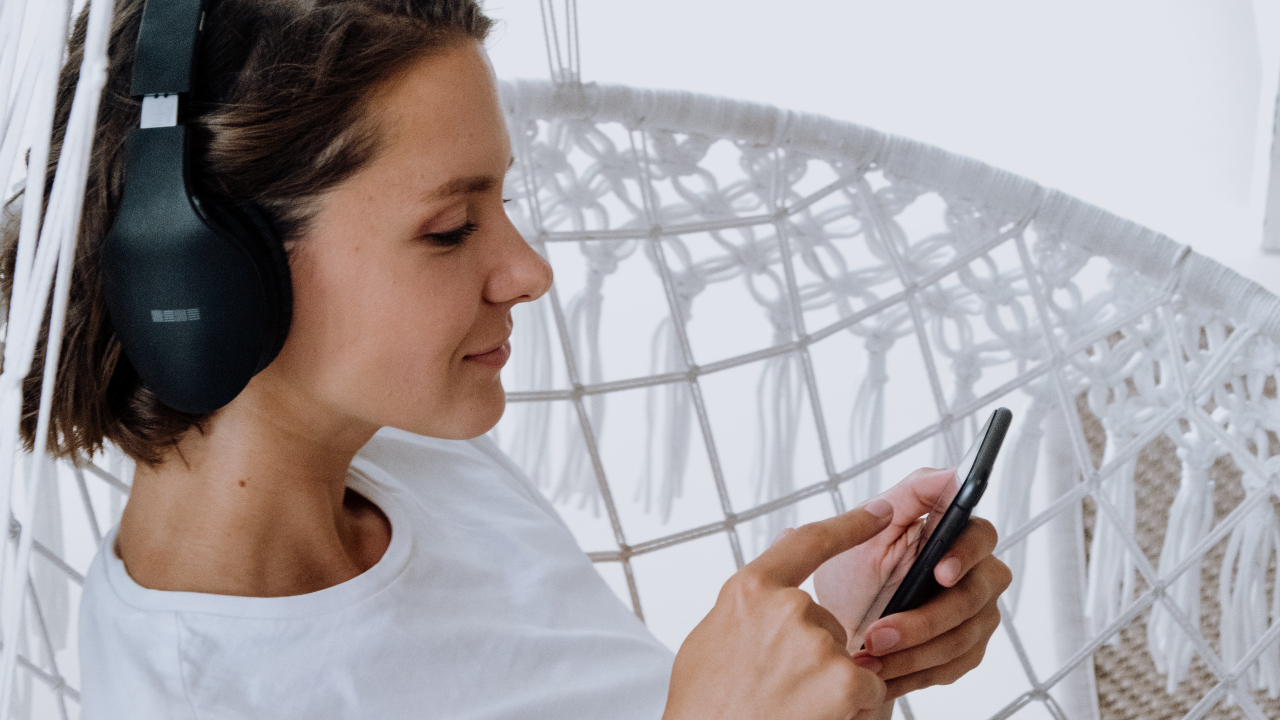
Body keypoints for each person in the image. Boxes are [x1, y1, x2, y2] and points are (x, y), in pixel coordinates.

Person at [0, 1, 1012, 718]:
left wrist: (822, 640)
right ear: (206, 271)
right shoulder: (206, 696)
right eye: (449, 229)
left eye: (501, 206)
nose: (529, 272)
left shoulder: (410, 467)